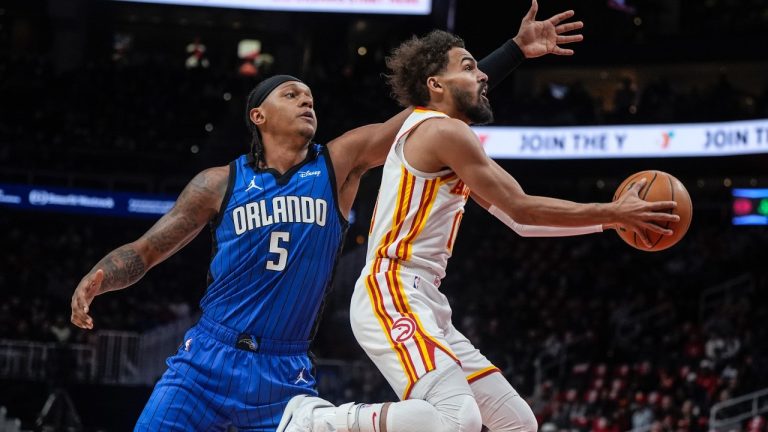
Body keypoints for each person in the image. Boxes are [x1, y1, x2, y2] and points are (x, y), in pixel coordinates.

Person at [69, 2, 586, 430]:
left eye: (310, 97)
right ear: (258, 114)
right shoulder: (218, 182)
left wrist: (515, 51)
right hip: (204, 359)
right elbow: (148, 249)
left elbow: (434, 106)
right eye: (291, 94)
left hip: (284, 371)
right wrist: (98, 277)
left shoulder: (338, 163)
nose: (305, 102)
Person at [277, 30, 679, 432]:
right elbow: (521, 205)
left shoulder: (441, 135)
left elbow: (519, 221)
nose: (483, 76)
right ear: (435, 85)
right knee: (458, 418)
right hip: (392, 289)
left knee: (518, 423)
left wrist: (611, 219)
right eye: (469, 67)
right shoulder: (442, 131)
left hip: (425, 299)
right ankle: (318, 421)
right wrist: (614, 212)